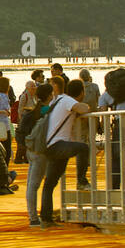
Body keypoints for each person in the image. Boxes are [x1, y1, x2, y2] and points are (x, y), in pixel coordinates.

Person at [39, 78, 92, 225]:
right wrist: (87, 107)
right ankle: (81, 181)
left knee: (49, 183)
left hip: (49, 145)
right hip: (58, 145)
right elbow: (83, 109)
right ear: (82, 92)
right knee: (83, 148)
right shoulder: (67, 100)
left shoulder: (58, 100)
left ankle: (46, 217)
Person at [19, 83, 54, 225]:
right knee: (34, 184)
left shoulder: (34, 111)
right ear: (50, 95)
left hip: (30, 149)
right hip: (41, 150)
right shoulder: (48, 111)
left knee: (30, 184)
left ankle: (33, 215)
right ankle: (33, 217)